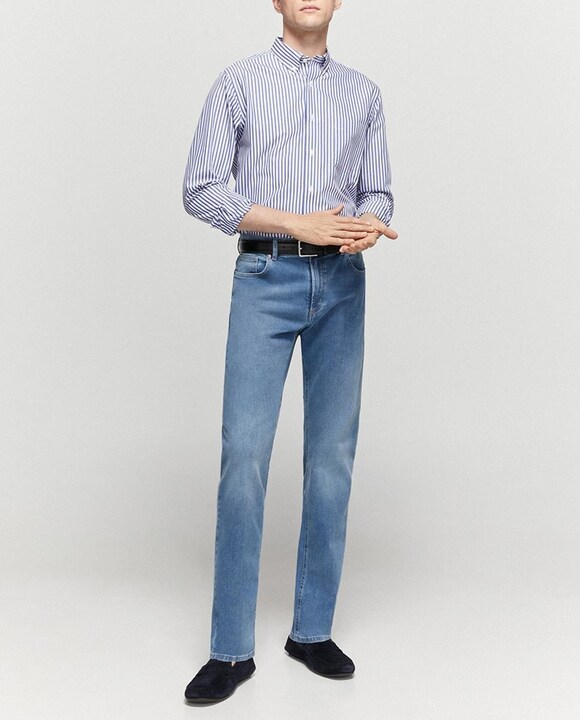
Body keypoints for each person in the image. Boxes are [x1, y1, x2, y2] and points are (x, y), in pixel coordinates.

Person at [181, 0, 397, 703]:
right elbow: (201, 189)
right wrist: (296, 223)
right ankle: (230, 649)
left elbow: (379, 192)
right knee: (244, 454)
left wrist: (369, 225)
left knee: (331, 457)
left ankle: (312, 630)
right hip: (265, 275)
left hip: (342, 284)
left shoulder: (364, 94)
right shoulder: (239, 81)